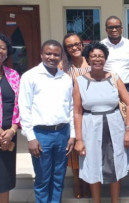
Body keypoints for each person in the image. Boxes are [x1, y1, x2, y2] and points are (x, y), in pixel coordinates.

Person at [73, 41, 129, 203]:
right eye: (93, 56)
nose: (97, 59)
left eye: (101, 56)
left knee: (115, 163)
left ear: (105, 58)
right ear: (88, 58)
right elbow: (77, 112)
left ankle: (115, 200)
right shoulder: (80, 81)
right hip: (90, 127)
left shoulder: (114, 78)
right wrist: (79, 139)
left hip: (114, 126)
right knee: (93, 164)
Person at [19, 40, 75, 203]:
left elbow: (70, 107)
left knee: (59, 178)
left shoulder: (65, 78)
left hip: (62, 133)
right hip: (41, 135)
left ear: (61, 56)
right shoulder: (30, 76)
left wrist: (72, 135)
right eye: (48, 53)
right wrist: (31, 137)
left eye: (56, 54)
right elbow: (24, 107)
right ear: (42, 55)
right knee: (43, 179)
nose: (52, 57)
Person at [101, 15, 129, 175]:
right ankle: (113, 161)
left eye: (117, 27)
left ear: (122, 28)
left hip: (128, 89)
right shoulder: (101, 45)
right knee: (110, 126)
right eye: (111, 27)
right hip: (107, 88)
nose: (114, 30)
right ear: (106, 29)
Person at [61, 33, 91, 199]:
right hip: (72, 114)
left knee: (89, 149)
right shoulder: (63, 67)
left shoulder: (92, 64)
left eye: (77, 44)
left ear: (82, 45)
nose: (74, 48)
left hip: (90, 114)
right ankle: (77, 181)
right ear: (66, 49)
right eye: (70, 46)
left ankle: (88, 181)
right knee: (74, 151)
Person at [0, 33, 20, 203]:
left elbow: (18, 104)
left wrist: (13, 130)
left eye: (2, 47)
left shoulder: (13, 74)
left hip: (9, 135)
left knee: (4, 178)